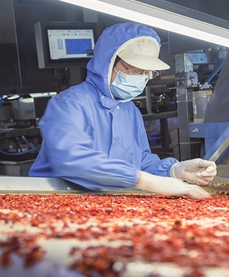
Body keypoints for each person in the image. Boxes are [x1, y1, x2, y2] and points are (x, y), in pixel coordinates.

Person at [29, 22, 217, 198]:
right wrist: (147, 181)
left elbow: (141, 162)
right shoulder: (69, 104)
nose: (142, 78)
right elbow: (71, 159)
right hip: (57, 199)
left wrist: (174, 170)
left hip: (107, 205)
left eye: (146, 73)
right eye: (135, 70)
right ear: (108, 62)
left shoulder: (129, 111)